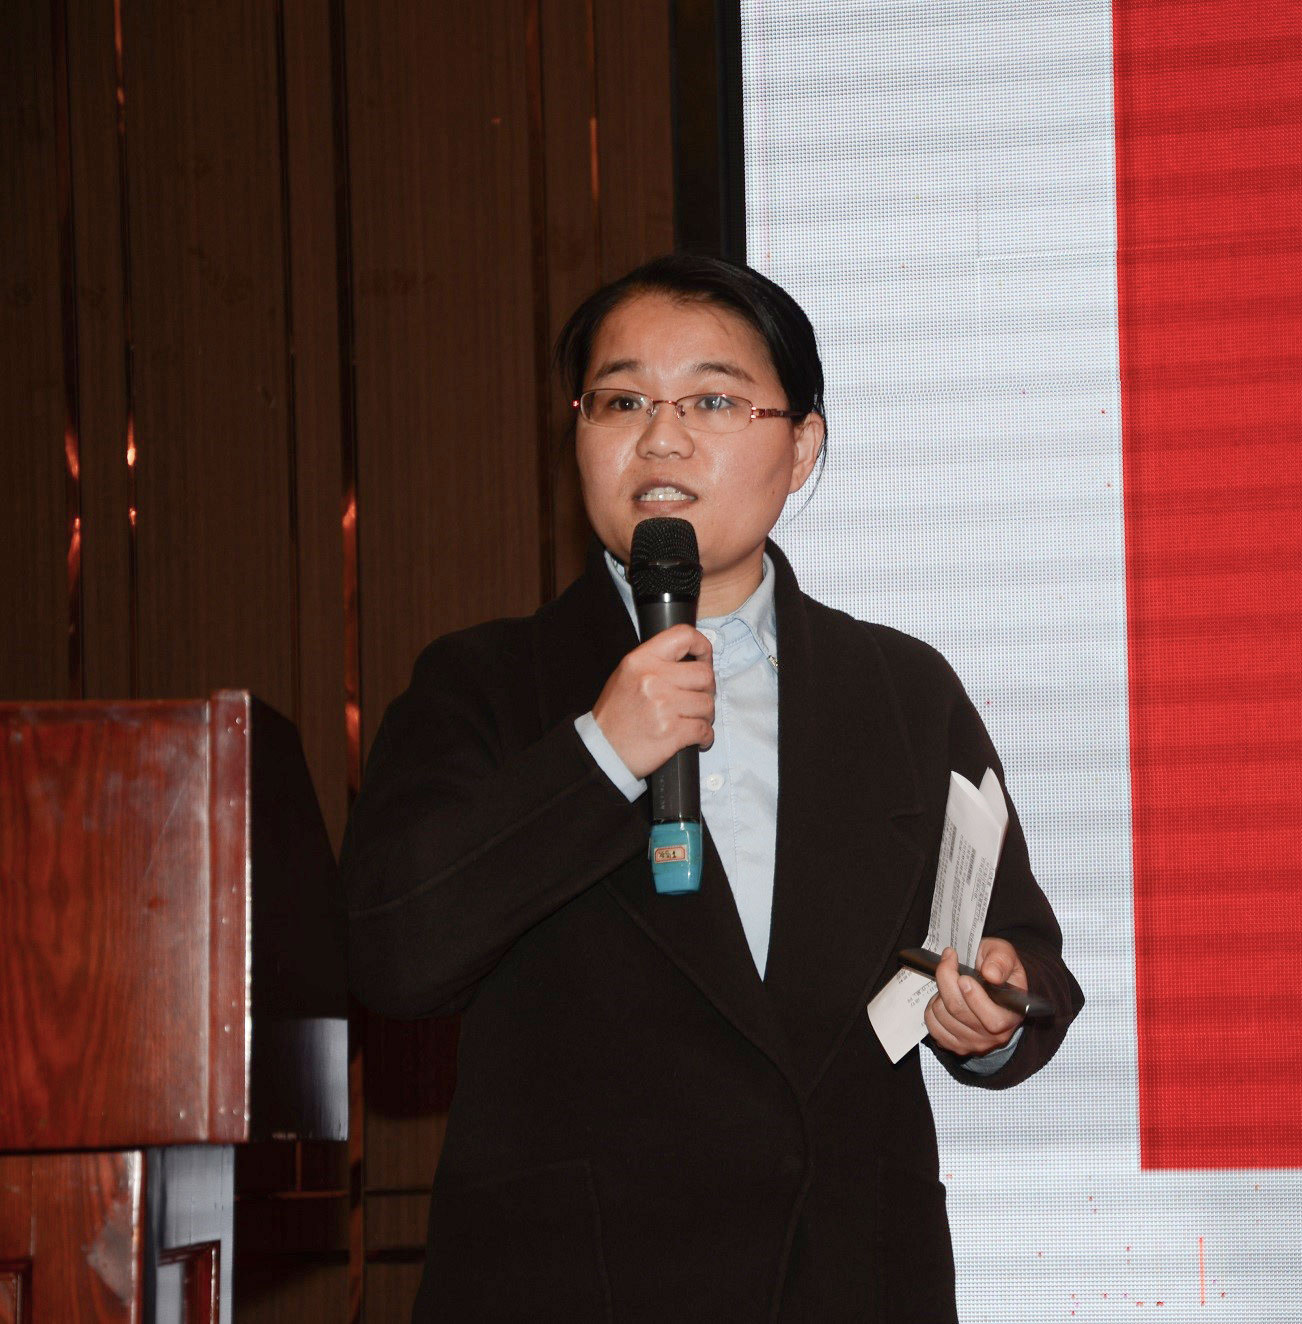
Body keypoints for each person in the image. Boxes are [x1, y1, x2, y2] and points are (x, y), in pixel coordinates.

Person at [340, 254, 1084, 1322]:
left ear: (802, 446)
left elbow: (1025, 952)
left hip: (848, 1285)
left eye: (713, 401)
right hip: (573, 1290)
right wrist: (600, 754)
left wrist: (996, 1014)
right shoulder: (485, 684)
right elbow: (394, 951)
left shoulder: (899, 690)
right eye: (621, 401)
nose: (661, 437)